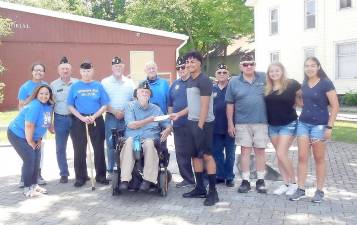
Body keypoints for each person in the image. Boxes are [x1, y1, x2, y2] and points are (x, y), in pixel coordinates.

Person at [171, 51, 219, 206]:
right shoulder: (190, 80)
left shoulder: (204, 80)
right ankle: (200, 188)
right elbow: (192, 105)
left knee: (207, 156)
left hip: (204, 124)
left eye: (193, 61)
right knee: (195, 156)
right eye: (188, 62)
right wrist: (178, 114)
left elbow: (205, 106)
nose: (190, 64)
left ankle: (213, 192)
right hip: (190, 122)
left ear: (200, 63)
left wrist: (200, 126)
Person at [290, 57, 339, 203]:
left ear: (318, 67)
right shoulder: (304, 84)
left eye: (312, 65)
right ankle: (301, 189)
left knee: (319, 158)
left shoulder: (326, 83)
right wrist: (296, 97)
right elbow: (302, 104)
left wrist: (329, 127)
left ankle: (319, 191)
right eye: (307, 66)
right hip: (303, 124)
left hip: (320, 125)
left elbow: (335, 106)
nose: (309, 68)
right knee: (302, 157)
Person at [226, 54, 269, 194]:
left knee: (260, 151)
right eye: (245, 64)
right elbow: (230, 104)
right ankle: (245, 181)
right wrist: (230, 123)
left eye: (251, 63)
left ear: (255, 65)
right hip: (242, 123)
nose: (249, 66)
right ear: (240, 67)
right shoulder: (233, 82)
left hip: (261, 121)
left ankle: (260, 180)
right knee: (245, 151)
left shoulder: (264, 77)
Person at [118, 81, 172, 191]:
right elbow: (131, 125)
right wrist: (148, 120)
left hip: (150, 139)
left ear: (150, 96)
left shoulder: (156, 109)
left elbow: (166, 122)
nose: (144, 94)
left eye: (147, 92)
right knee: (129, 142)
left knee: (149, 143)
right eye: (142, 92)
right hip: (134, 139)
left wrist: (169, 128)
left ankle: (148, 180)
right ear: (136, 94)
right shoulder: (130, 106)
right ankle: (125, 179)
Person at [67, 61, 110, 187]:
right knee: (79, 150)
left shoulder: (98, 86)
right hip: (79, 120)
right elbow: (70, 105)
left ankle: (101, 176)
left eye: (89, 71)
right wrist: (81, 117)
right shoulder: (75, 86)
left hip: (96, 119)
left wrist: (94, 116)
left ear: (92, 71)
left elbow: (105, 104)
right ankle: (81, 177)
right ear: (80, 72)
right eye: (84, 71)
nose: (86, 73)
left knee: (99, 149)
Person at [8, 84, 53, 197]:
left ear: (50, 95)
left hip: (33, 136)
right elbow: (29, 125)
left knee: (37, 159)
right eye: (41, 93)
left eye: (46, 93)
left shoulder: (48, 106)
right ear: (36, 94)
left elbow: (44, 123)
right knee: (30, 160)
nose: (44, 96)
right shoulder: (35, 106)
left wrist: (39, 138)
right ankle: (27, 188)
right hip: (18, 134)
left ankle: (34, 185)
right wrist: (31, 142)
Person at [264, 62, 301, 195]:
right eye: (271, 71)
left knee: (281, 153)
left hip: (288, 123)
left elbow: (304, 96)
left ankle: (295, 184)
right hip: (272, 126)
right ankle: (286, 183)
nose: (274, 73)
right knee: (279, 156)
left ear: (282, 71)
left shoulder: (292, 84)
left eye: (277, 71)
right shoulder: (267, 87)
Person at [101, 56, 135, 180]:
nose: (118, 68)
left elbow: (133, 100)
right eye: (115, 66)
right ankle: (111, 170)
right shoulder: (105, 82)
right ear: (112, 67)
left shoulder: (130, 82)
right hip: (111, 116)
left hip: (127, 117)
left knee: (127, 143)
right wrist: (115, 111)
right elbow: (103, 101)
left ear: (123, 67)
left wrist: (124, 111)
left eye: (120, 66)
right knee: (111, 144)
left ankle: (126, 169)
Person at [17, 63, 48, 186]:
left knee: (40, 149)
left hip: (40, 125)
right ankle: (24, 177)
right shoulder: (25, 87)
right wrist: (25, 122)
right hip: (28, 124)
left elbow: (49, 105)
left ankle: (38, 175)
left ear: (44, 73)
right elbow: (21, 105)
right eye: (36, 70)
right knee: (27, 150)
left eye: (41, 70)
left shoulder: (46, 86)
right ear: (32, 72)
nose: (38, 72)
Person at [168, 57, 195, 188]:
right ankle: (188, 179)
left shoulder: (195, 82)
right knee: (181, 153)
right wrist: (170, 121)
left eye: (183, 67)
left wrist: (178, 114)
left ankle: (202, 179)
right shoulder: (174, 84)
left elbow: (196, 104)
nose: (180, 70)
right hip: (178, 125)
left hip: (193, 124)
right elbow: (170, 104)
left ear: (188, 67)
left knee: (196, 153)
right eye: (178, 68)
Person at [50, 56, 78, 183]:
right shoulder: (53, 85)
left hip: (76, 119)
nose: (65, 71)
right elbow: (51, 104)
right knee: (60, 147)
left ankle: (80, 172)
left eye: (67, 68)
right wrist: (50, 122)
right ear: (58, 71)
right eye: (63, 69)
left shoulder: (77, 83)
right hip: (60, 119)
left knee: (79, 147)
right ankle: (64, 173)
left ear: (71, 70)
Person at [212, 63, 236, 187]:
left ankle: (229, 176)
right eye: (219, 72)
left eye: (224, 72)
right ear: (216, 75)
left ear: (228, 75)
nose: (222, 74)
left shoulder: (233, 88)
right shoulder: (211, 89)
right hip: (215, 127)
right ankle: (220, 175)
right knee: (217, 153)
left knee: (230, 154)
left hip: (230, 127)